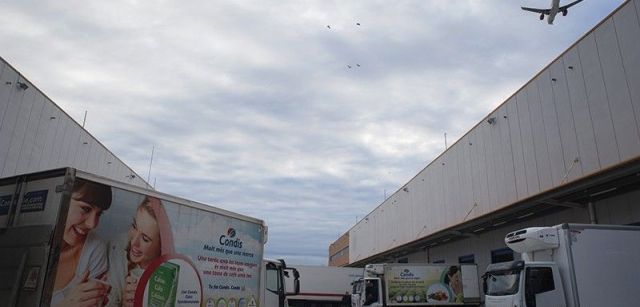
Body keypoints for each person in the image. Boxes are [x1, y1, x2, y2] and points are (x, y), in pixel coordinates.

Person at [52, 179, 112, 307]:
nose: (92, 224)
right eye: (86, 209)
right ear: (60, 200)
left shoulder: (94, 248)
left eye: (99, 214)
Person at [107, 196, 174, 307]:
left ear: (161, 247)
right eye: (134, 226)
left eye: (145, 239)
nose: (134, 242)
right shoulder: (117, 248)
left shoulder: (168, 273)